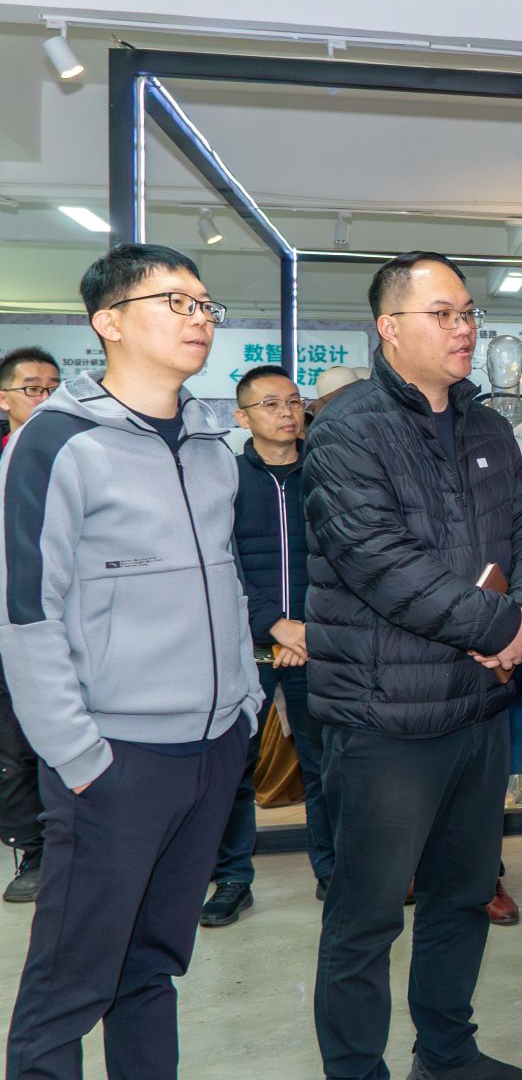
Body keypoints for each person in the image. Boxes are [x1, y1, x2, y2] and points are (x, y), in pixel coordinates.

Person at [2, 245, 282, 1080]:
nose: (199, 317)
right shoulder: (56, 443)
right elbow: (27, 616)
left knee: (152, 963)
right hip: (114, 761)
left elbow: (229, 583)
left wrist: (242, 707)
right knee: (67, 988)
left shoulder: (209, 442)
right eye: (175, 301)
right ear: (110, 321)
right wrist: (80, 757)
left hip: (210, 750)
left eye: (205, 303)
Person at [303, 251, 522, 1080]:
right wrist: (500, 625)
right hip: (386, 716)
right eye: (443, 312)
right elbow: (379, 560)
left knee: (462, 893)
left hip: (477, 709)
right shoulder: (348, 430)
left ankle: (445, 1052)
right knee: (366, 916)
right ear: (389, 327)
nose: (464, 327)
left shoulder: (487, 425)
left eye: (469, 312)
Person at [199, 365, 332, 930]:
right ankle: (232, 879)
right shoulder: (224, 480)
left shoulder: (327, 475)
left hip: (318, 642)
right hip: (248, 647)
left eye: (294, 402)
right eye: (270, 404)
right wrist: (273, 624)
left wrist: (308, 628)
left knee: (327, 765)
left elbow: (344, 556)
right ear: (241, 416)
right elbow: (218, 562)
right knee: (235, 769)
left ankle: (333, 871)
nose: (286, 413)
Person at [0, 345, 61, 905]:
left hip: (55, 620)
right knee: (13, 745)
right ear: (4, 399)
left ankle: (61, 848)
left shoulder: (72, 456)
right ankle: (31, 850)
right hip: (6, 622)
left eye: (53, 388)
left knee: (54, 734)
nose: (45, 398)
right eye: (32, 389)